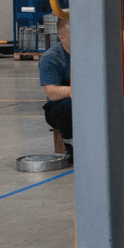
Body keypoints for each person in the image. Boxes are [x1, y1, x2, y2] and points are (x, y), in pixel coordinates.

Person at [40, 16, 72, 156]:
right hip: (59, 109)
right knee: (69, 106)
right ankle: (71, 144)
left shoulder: (92, 53)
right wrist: (81, 90)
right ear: (62, 37)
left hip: (87, 101)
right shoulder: (51, 58)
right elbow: (52, 92)